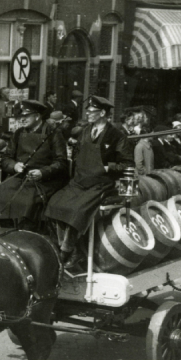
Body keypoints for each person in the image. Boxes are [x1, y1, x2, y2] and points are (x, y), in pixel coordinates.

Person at [45, 96, 133, 270]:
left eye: (92, 111)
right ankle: (66, 246)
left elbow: (128, 163)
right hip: (79, 181)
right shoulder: (85, 131)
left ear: (102, 113)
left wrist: (107, 167)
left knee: (77, 210)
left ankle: (68, 251)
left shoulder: (117, 135)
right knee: (54, 204)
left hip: (101, 183)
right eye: (88, 111)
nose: (88, 114)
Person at [0, 99, 69, 231]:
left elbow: (61, 162)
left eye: (26, 116)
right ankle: (6, 231)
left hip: (46, 180)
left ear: (37, 116)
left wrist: (42, 172)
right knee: (4, 191)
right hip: (22, 176)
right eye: (21, 116)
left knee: (27, 199)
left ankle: (26, 233)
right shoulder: (19, 133)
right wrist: (14, 166)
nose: (22, 119)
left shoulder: (53, 133)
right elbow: (7, 158)